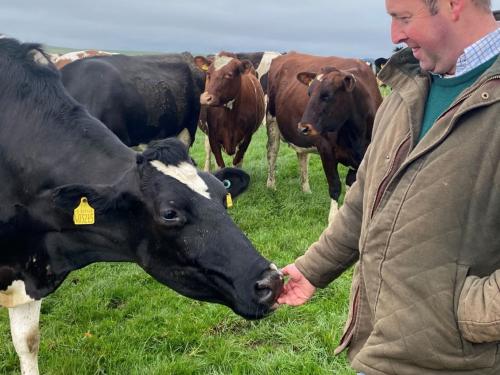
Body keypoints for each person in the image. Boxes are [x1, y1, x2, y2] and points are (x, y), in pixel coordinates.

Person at [277, 0, 500, 374]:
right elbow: (364, 199)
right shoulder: (405, 92)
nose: (394, 35)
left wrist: (470, 313)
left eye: (403, 17)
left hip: (458, 362)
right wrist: (313, 269)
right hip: (379, 352)